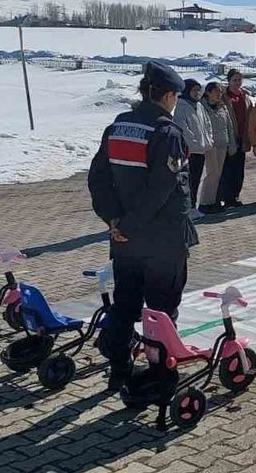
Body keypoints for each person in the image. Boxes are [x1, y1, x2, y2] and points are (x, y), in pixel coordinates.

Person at [88, 62, 198, 386]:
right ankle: (160, 377)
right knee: (161, 312)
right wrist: (128, 225)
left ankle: (119, 371)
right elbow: (161, 191)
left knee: (125, 306)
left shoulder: (117, 127)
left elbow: (98, 180)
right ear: (168, 96)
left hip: (125, 243)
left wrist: (114, 221)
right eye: (175, 96)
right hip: (162, 243)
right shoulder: (167, 133)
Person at [172, 79, 210, 216]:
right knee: (189, 180)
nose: (197, 93)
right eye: (194, 90)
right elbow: (183, 128)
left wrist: (208, 140)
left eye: (198, 90)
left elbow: (206, 124)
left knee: (196, 179)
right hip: (190, 151)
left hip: (201, 149)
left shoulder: (199, 105)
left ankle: (193, 206)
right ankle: (188, 208)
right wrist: (194, 143)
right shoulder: (181, 106)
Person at [198, 82, 237, 213]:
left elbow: (229, 126)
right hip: (210, 145)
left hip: (223, 143)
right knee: (212, 174)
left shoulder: (223, 107)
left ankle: (214, 201)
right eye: (216, 91)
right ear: (208, 92)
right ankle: (205, 202)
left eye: (220, 91)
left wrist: (232, 143)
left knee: (218, 174)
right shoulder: (201, 107)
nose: (219, 94)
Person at [219, 69, 251, 208]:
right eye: (234, 80)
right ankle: (226, 197)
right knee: (228, 169)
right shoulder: (223, 97)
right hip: (229, 138)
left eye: (239, 80)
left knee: (239, 170)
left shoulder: (245, 96)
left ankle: (235, 196)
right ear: (229, 81)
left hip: (242, 137)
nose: (237, 83)